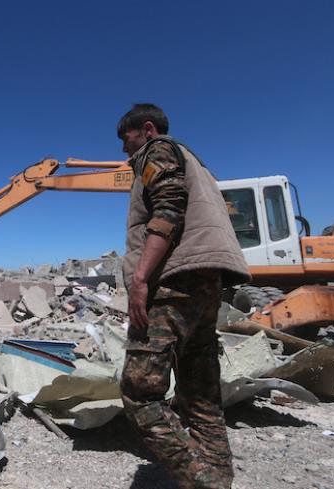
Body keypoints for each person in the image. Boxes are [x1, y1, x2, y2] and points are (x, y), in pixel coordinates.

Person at [117, 103, 250, 489]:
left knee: (140, 393)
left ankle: (202, 480)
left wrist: (141, 279)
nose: (125, 153)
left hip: (173, 284)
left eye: (127, 142)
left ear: (146, 130)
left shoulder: (156, 151)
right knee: (200, 393)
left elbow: (168, 210)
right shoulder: (199, 166)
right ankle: (218, 476)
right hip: (207, 284)